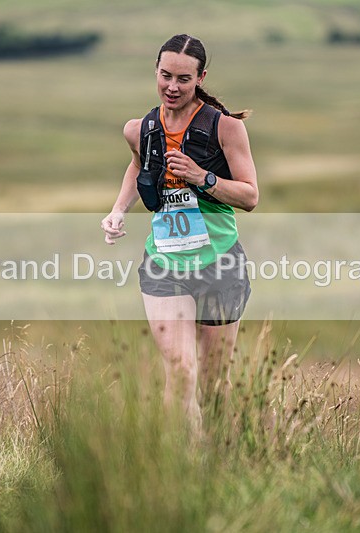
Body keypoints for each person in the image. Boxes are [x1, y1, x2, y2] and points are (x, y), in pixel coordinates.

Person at [101, 34, 258, 435]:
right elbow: (138, 168)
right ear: (155, 71)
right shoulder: (140, 129)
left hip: (220, 264)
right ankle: (177, 467)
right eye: (165, 76)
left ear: (200, 77)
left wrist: (201, 177)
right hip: (164, 265)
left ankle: (218, 457)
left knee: (212, 384)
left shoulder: (226, 128)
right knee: (181, 368)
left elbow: (250, 196)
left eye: (183, 79)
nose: (172, 87)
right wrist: (118, 211)